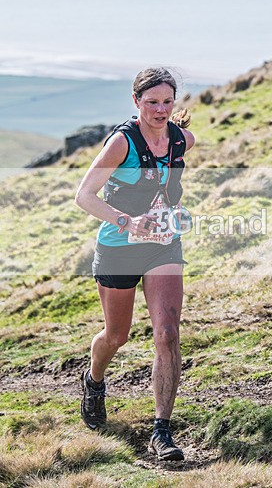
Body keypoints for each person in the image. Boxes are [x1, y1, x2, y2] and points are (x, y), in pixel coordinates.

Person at [74, 67, 195, 461]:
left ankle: (162, 430)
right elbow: (84, 196)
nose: (160, 110)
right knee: (117, 336)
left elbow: (180, 153)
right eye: (152, 102)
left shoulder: (179, 139)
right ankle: (94, 381)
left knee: (167, 334)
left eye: (167, 102)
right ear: (136, 102)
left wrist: (176, 213)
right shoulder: (121, 143)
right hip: (118, 247)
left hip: (163, 247)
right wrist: (127, 221)